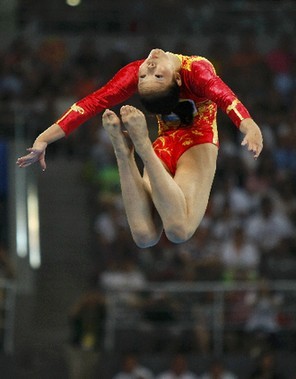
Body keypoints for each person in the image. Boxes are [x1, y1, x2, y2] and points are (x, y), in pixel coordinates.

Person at [16, 48, 263, 247]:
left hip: (194, 145)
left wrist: (248, 124)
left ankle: (125, 154)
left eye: (152, 76)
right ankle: (140, 146)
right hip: (172, 145)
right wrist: (45, 137)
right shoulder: (140, 71)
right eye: (146, 77)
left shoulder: (195, 71)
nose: (149, 69)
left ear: (178, 80)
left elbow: (225, 97)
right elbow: (92, 102)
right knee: (174, 232)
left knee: (148, 236)